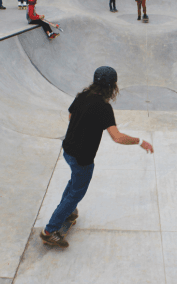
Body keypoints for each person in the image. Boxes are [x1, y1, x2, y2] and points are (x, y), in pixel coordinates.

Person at [40, 66, 154, 248]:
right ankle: (50, 230)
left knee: (73, 184)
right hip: (82, 158)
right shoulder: (104, 108)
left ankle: (67, 213)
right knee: (76, 192)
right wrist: (139, 141)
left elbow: (71, 116)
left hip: (68, 151)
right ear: (113, 87)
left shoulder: (82, 96)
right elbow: (117, 137)